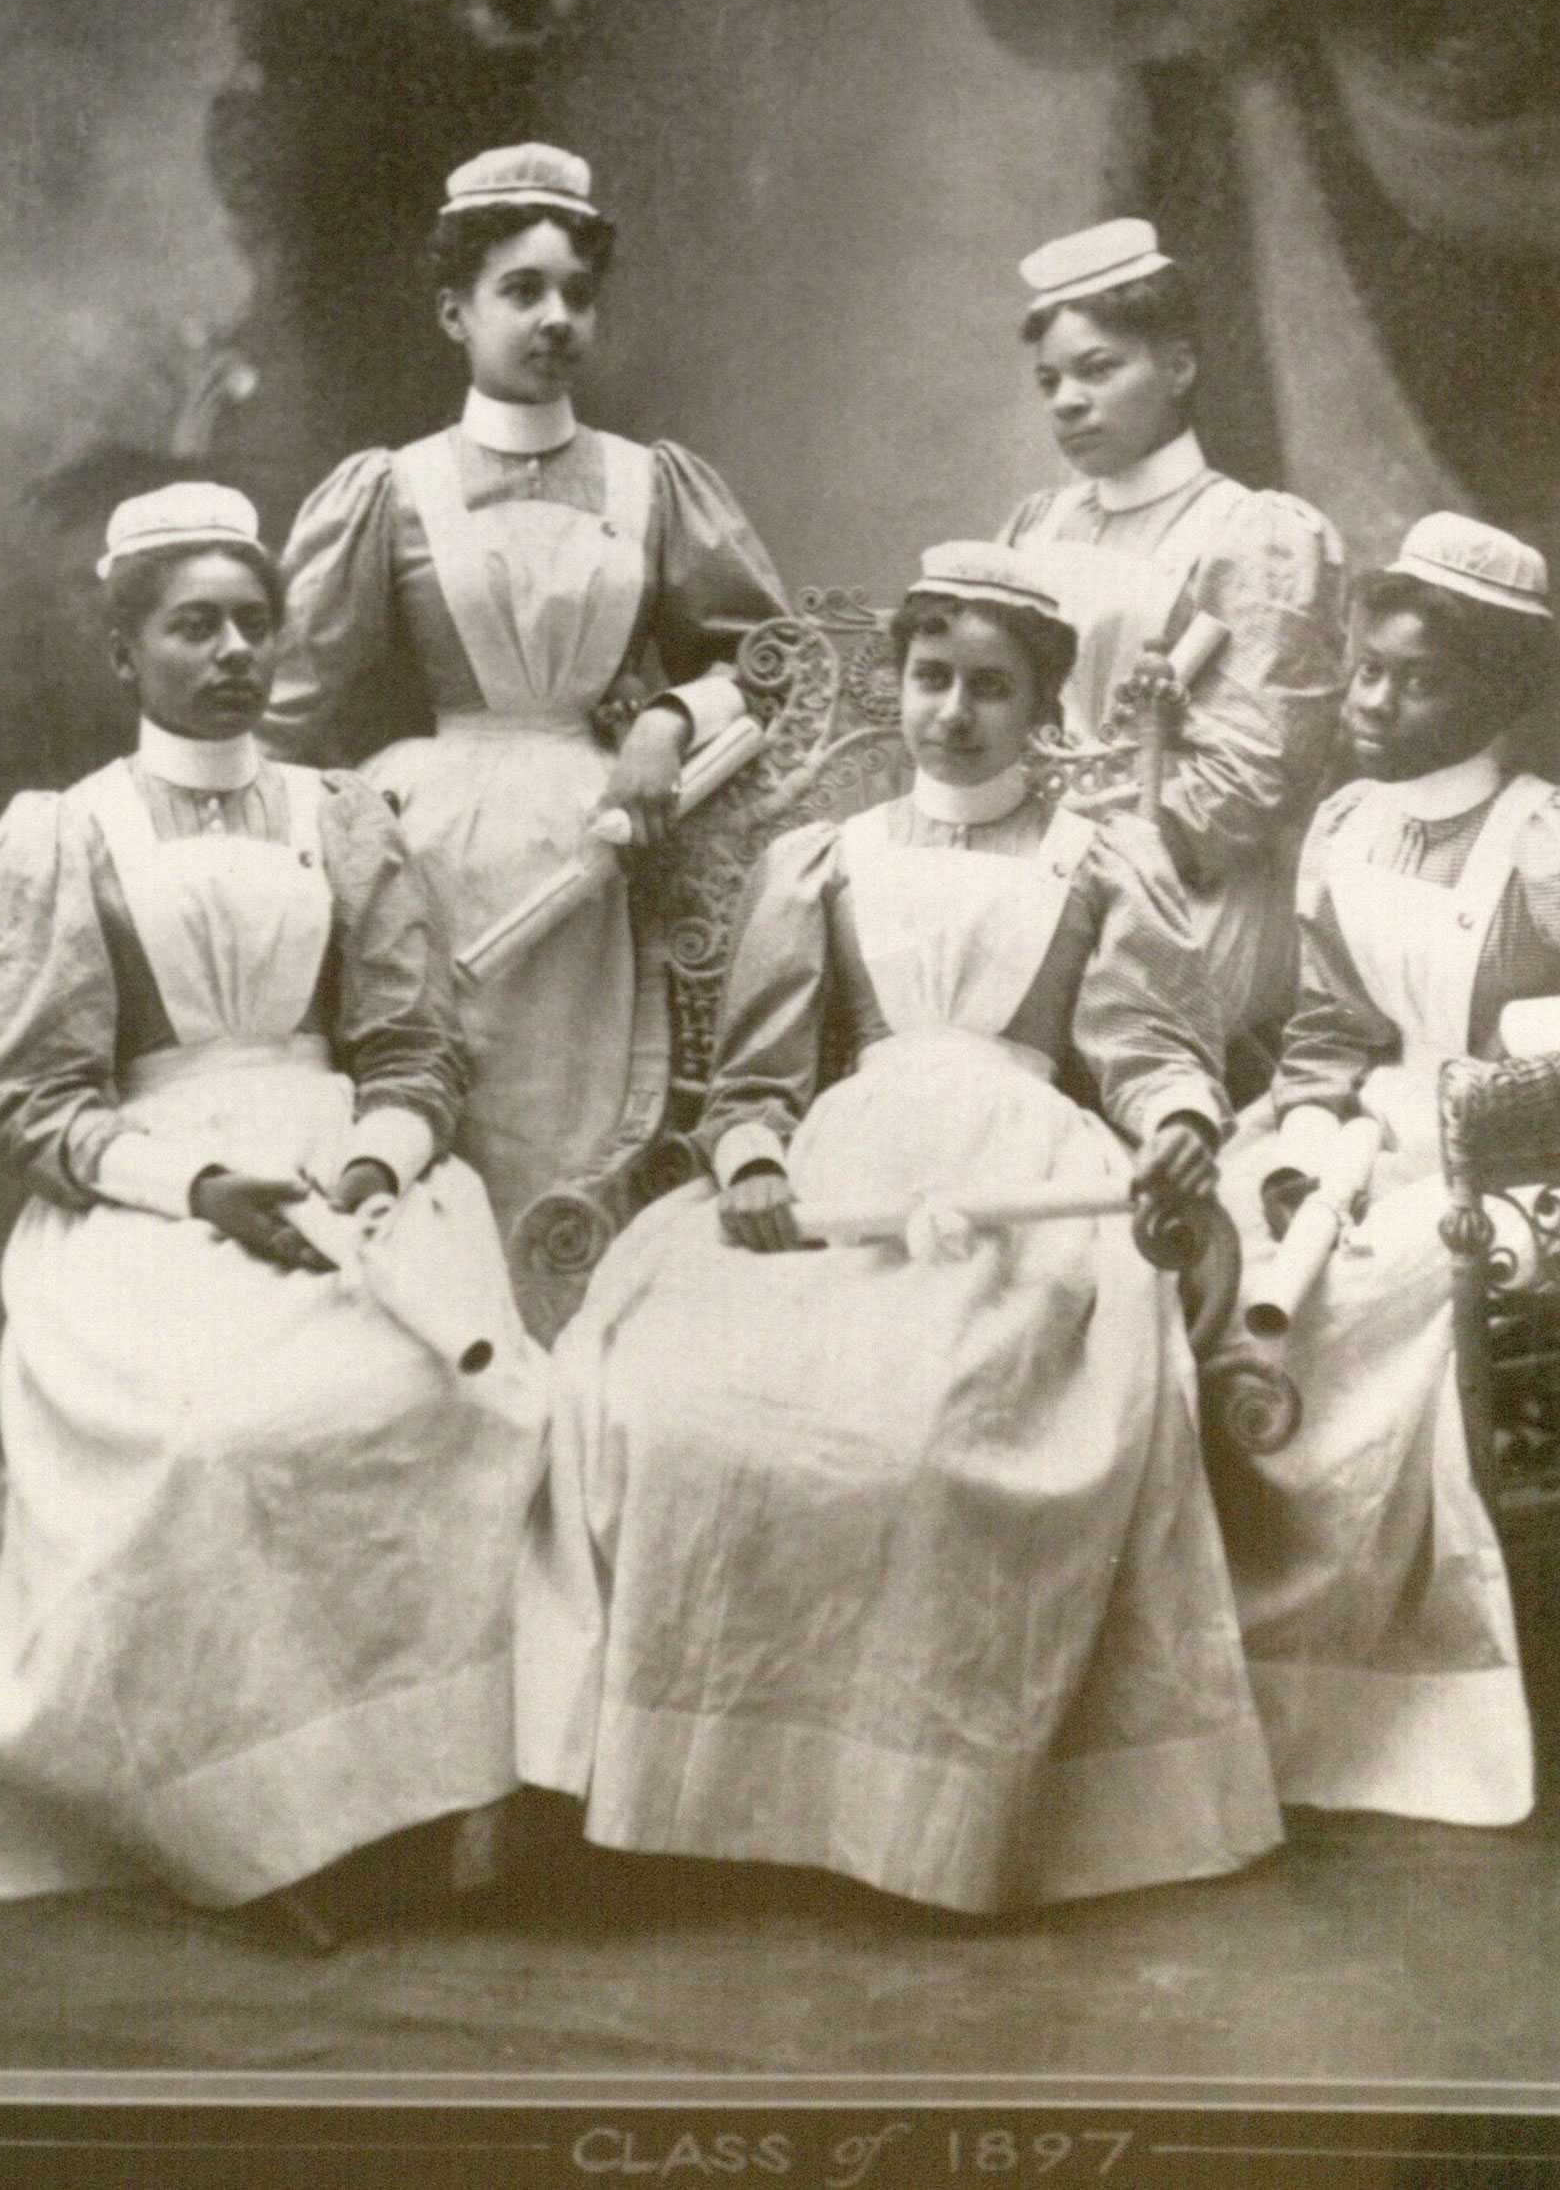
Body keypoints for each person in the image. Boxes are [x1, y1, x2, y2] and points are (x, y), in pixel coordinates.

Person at [513, 544, 1285, 1915]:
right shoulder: (829, 857)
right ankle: (729, 1798)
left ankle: (924, 1808)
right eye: (932, 679)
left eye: (992, 688)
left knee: (944, 1440)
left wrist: (1176, 1124)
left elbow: (1155, 1052)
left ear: (1044, 705)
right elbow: (755, 1083)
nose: (954, 714)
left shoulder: (1098, 863)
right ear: (902, 683)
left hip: (1032, 1184)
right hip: (848, 1179)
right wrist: (750, 1162)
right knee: (677, 1408)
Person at [0, 485, 554, 1928]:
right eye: (190, 625)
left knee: (451, 1410)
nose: (229, 653)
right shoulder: (65, 833)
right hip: (152, 1191)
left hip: (348, 1172)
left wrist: (372, 1168)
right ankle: (245, 1821)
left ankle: (414, 1808)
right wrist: (204, 1187)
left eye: (251, 624)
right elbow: (37, 1101)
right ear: (124, 651)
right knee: (211, 1439)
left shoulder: (339, 814)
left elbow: (411, 1049)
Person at [1205, 513, 1560, 1827]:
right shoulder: (1344, 823)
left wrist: (1534, 1049)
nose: (1374, 700)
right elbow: (1330, 1030)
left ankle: (1364, 1689)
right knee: (1210, 1252)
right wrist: (1298, 1138)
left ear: (1504, 693)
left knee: (1378, 1290)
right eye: (1366, 669)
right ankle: (1217, 1671)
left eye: (1419, 679)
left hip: (1532, 1169)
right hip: (1361, 1139)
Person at [265, 142, 789, 1261]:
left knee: (587, 1155)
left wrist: (670, 718)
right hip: (434, 848)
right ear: (455, 312)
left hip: (612, 850)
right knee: (438, 1123)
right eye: (522, 290)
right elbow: (286, 704)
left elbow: (772, 665)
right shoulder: (393, 488)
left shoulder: (655, 483)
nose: (555, 318)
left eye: (577, 294)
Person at [1000, 218, 1347, 1039]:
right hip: (1028, 860)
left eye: (1098, 369)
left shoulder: (1253, 534)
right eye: (1049, 382)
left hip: (1184, 892)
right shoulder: (1034, 525)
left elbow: (1255, 780)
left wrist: (1077, 864)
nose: (1069, 401)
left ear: (1179, 366)